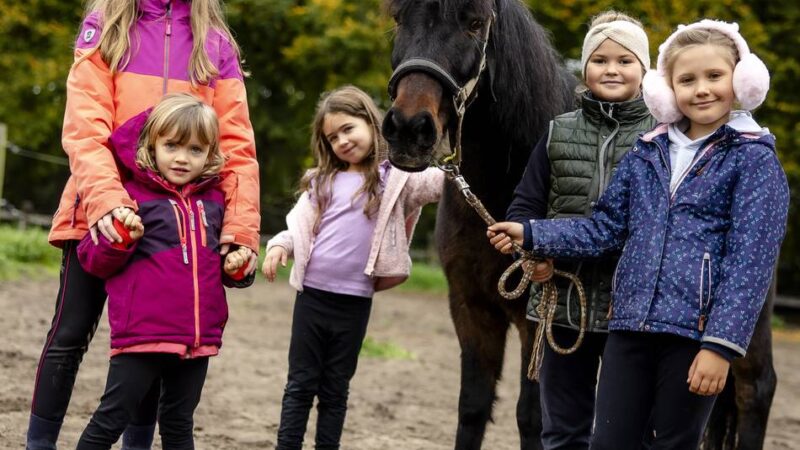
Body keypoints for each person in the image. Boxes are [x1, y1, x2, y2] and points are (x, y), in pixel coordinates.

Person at [487, 19, 788, 449]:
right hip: (628, 329)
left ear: (742, 80)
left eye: (714, 76)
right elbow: (604, 228)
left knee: (669, 443)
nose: (701, 89)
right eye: (687, 80)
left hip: (693, 335)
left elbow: (750, 265)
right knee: (608, 443)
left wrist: (721, 347)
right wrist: (534, 234)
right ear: (667, 89)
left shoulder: (755, 161)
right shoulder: (649, 151)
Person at [26, 1, 260, 449]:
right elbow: (84, 128)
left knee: (160, 338)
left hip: (179, 214)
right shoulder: (107, 28)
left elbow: (237, 148)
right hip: (100, 212)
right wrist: (109, 203)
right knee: (70, 332)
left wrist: (240, 231)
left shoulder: (216, 43)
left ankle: (137, 443)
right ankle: (39, 443)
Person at [503, 10, 655, 449]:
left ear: (644, 70)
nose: (611, 69)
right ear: (584, 68)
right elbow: (526, 207)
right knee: (563, 427)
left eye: (625, 61)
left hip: (633, 312)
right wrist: (531, 256)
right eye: (600, 59)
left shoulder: (663, 136)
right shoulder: (558, 132)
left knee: (626, 430)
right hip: (564, 301)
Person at [262, 85, 443, 450]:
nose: (342, 141)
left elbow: (440, 182)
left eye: (349, 129)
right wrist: (280, 244)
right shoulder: (321, 182)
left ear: (371, 122)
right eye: (332, 137)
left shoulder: (394, 179)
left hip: (354, 303)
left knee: (335, 389)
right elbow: (298, 224)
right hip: (312, 298)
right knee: (299, 384)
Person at [73, 93, 253, 449]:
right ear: (152, 145)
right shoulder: (130, 197)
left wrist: (237, 268)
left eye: (195, 150)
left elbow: (223, 267)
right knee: (111, 418)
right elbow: (92, 260)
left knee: (178, 424)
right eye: (172, 146)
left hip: (197, 341)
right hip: (141, 336)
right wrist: (121, 238)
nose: (183, 158)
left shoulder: (215, 202)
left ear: (210, 154)